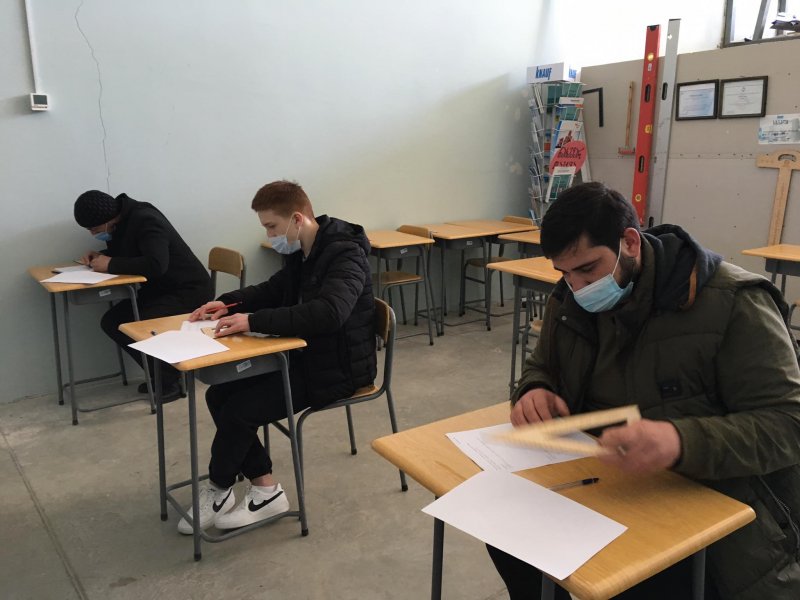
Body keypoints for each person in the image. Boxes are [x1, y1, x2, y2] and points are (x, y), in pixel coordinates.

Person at [488, 182, 800, 599]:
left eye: (588, 269)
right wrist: (535, 388)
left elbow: (788, 424)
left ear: (630, 243)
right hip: (604, 480)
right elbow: (542, 365)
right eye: (564, 273)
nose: (577, 287)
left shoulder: (733, 303)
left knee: (639, 585)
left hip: (709, 500)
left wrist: (679, 441)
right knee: (508, 540)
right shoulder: (570, 300)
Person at [179, 180, 376, 534]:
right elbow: (275, 288)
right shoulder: (304, 250)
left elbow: (330, 313)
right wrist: (228, 303)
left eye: (272, 226)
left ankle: (221, 487)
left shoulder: (345, 254)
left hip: (338, 368)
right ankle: (264, 490)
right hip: (303, 356)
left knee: (239, 410)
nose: (270, 236)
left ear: (297, 219)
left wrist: (252, 321)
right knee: (219, 394)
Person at [73, 190, 213, 401]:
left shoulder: (146, 219)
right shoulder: (121, 222)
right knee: (113, 322)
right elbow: (131, 252)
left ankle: (169, 381)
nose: (93, 234)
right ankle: (162, 375)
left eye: (94, 229)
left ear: (107, 219)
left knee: (136, 324)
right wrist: (102, 256)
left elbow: (156, 264)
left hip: (188, 290)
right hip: (161, 291)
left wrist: (111, 264)